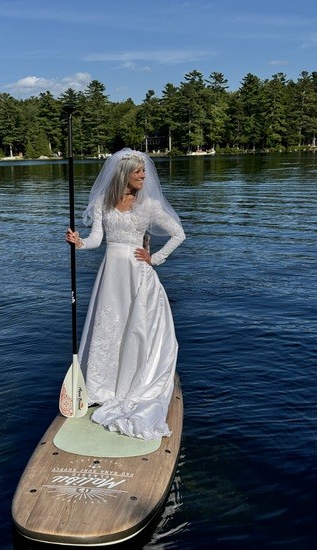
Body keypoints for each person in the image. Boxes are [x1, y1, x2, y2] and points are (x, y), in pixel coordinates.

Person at [66, 148, 185, 440]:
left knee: (136, 329)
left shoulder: (150, 205)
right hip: (111, 275)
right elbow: (97, 239)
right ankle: (100, 387)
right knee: (109, 327)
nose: (143, 177)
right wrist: (79, 243)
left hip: (137, 273)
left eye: (144, 172)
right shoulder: (102, 203)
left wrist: (154, 258)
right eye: (138, 172)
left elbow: (178, 233)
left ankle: (132, 383)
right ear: (124, 174)